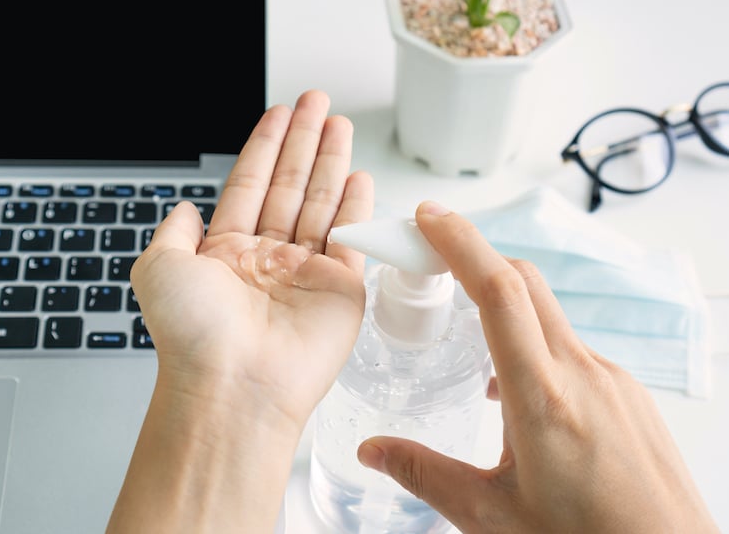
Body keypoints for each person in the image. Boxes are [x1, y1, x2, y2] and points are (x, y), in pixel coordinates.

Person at [106, 90, 719, 534]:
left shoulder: (459, 345)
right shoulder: (363, 325)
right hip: (331, 506)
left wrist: (228, 397)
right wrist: (229, 391)